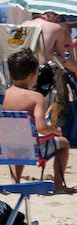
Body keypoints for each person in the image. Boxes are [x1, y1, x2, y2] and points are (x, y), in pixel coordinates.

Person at [4, 50, 71, 193]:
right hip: (31, 150)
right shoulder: (36, 97)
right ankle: (59, 186)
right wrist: (55, 130)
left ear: (9, 73)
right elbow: (41, 128)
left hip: (5, 149)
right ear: (34, 75)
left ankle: (15, 181)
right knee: (64, 143)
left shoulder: (0, 95)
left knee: (17, 137)